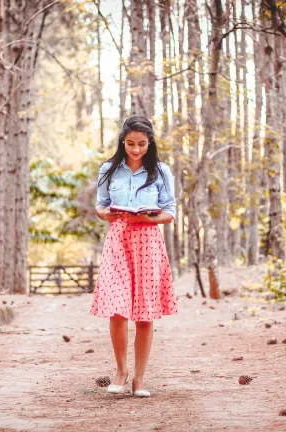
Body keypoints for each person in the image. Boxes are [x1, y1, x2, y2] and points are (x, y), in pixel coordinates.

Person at [90, 115, 178, 398]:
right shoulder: (108, 169)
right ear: (122, 142)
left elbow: (170, 212)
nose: (136, 149)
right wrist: (107, 214)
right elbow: (101, 206)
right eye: (130, 143)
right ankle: (121, 371)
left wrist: (152, 217)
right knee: (117, 308)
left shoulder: (161, 171)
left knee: (144, 311)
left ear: (150, 142)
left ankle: (139, 378)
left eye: (141, 144)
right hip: (118, 240)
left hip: (148, 242)